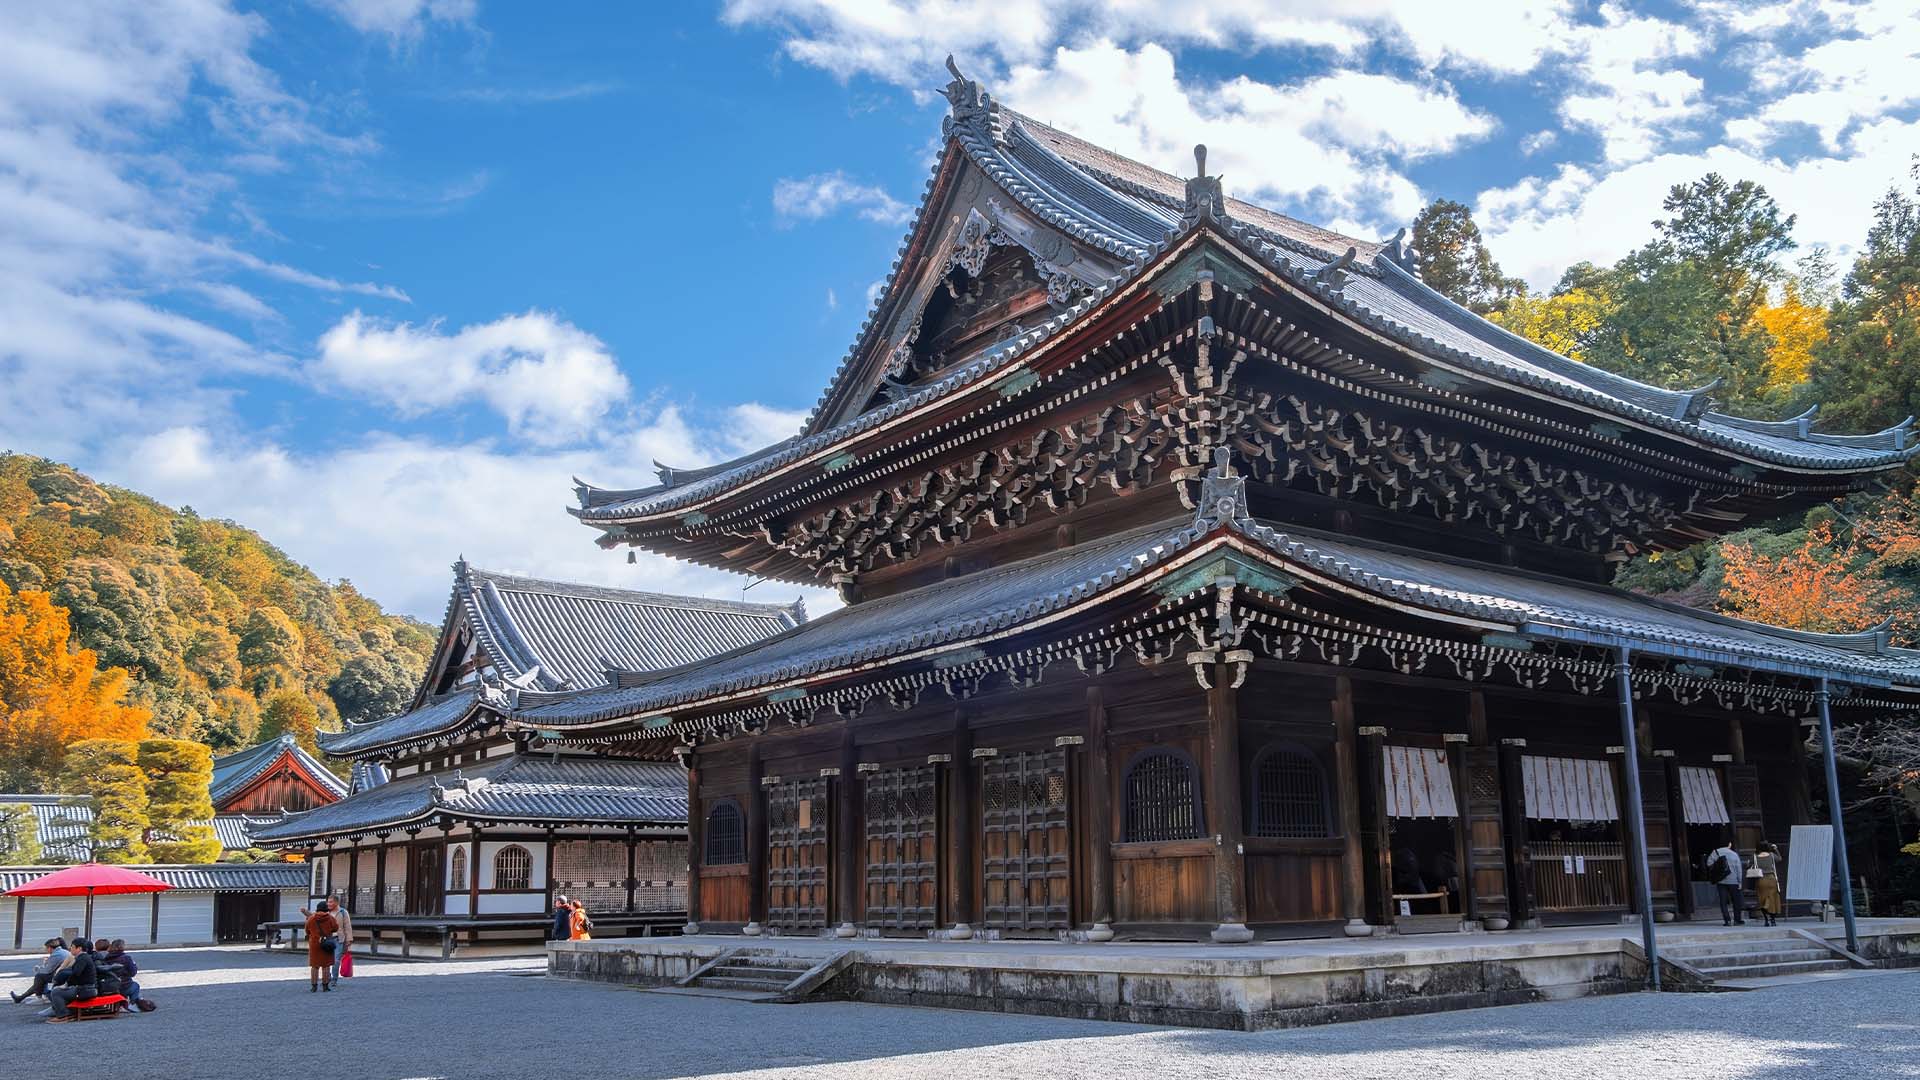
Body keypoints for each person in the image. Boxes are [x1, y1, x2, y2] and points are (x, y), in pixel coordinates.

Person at [44, 936, 98, 1023]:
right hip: (86, 988)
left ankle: (63, 1015)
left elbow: (76, 974)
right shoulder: (83, 957)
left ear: (79, 948)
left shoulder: (82, 958)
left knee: (56, 992)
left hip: (85, 989)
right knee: (59, 990)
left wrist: (66, 985)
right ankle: (66, 1012)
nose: (70, 949)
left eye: (72, 947)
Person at [10, 938, 68, 1004]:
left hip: (60, 976)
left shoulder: (56, 955)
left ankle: (39, 997)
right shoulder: (63, 951)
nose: (46, 950)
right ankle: (20, 998)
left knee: (39, 977)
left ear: (50, 948)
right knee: (39, 982)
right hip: (64, 974)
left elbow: (47, 970)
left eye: (46, 948)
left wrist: (38, 968)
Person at [300, 898, 340, 992]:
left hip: (315, 943)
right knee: (326, 966)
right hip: (327, 944)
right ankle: (325, 986)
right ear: (326, 909)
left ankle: (314, 986)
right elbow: (335, 928)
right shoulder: (330, 918)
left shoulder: (311, 918)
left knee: (315, 966)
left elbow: (307, 930)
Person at [1706, 835, 1745, 926]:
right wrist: (1740, 882)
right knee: (1736, 901)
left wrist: (1718, 866)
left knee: (1723, 901)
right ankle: (1737, 920)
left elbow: (1708, 863)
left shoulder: (1715, 852)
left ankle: (1727, 921)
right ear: (1729, 844)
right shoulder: (1734, 854)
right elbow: (1739, 869)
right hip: (1733, 881)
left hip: (1721, 880)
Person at [104, 940, 151, 1012]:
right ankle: (132, 1003)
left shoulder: (106, 958)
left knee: (130, 986)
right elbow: (133, 973)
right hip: (123, 985)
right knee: (135, 986)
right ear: (122, 947)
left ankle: (126, 1003)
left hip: (109, 986)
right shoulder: (126, 958)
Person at [1754, 841, 1784, 928]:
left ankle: (1766, 920)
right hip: (1771, 879)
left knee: (1762, 900)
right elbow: (1779, 859)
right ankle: (1773, 920)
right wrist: (1775, 849)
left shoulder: (1755, 857)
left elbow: (1749, 865)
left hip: (1761, 880)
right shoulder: (1771, 855)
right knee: (1773, 899)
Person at [329, 890, 354, 988]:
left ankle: (334, 979)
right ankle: (327, 976)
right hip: (328, 938)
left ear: (336, 902)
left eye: (331, 902)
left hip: (339, 938)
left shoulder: (343, 912)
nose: (329, 904)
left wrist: (349, 939)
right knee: (327, 959)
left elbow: (347, 926)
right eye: (328, 902)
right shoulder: (326, 912)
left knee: (336, 959)